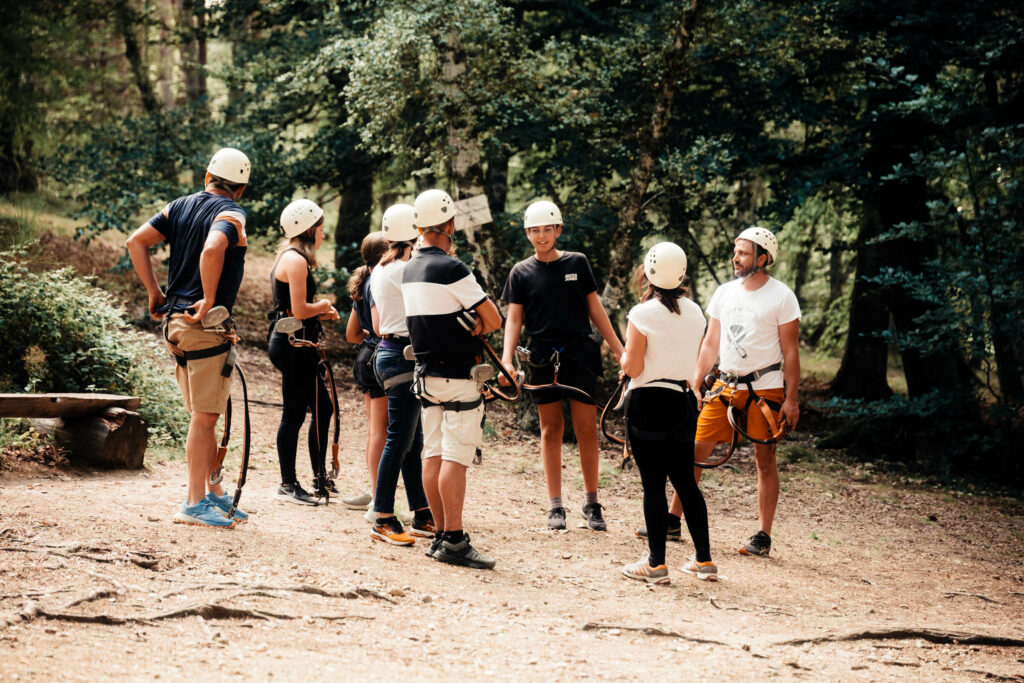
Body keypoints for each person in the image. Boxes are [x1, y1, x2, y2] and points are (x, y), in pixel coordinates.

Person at [646, 227, 800, 558]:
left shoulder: (782, 297)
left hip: (765, 391)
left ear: (763, 259)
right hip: (724, 387)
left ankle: (763, 535)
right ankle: (672, 521)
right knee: (694, 451)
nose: (735, 257)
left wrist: (791, 399)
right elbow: (710, 344)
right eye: (735, 250)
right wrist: (694, 382)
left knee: (765, 459)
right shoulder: (724, 293)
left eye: (743, 253)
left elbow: (791, 353)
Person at [125, 147, 252, 528]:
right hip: (202, 327)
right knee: (204, 417)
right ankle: (194, 502)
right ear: (241, 189)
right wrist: (209, 298)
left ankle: (213, 494)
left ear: (207, 176)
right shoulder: (232, 212)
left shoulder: (177, 206)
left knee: (205, 417)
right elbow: (214, 246)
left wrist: (154, 292)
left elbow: (135, 241)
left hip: (174, 325)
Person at [500, 200, 625, 531]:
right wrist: (506, 358)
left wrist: (619, 349)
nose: (541, 236)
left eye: (547, 229)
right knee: (550, 429)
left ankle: (592, 502)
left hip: (579, 353)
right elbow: (514, 320)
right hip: (541, 357)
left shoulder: (577, 263)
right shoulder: (521, 272)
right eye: (535, 231)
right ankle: (555, 506)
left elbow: (595, 310)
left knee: (586, 429)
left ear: (558, 230)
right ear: (528, 233)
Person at [403, 189, 503, 568]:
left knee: (433, 453)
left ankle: (442, 534)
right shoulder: (453, 268)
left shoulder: (410, 268)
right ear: (448, 225)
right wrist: (475, 326)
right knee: (456, 458)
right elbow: (493, 320)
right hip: (458, 375)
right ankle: (456, 541)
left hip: (426, 375)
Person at [618, 243, 716, 584]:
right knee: (686, 483)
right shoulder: (695, 313)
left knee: (653, 484)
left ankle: (656, 563)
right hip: (683, 401)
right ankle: (704, 560)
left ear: (648, 272)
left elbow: (632, 365)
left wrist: (622, 362)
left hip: (649, 402)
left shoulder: (642, 313)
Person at [367, 203, 435, 546]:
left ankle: (421, 512)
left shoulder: (383, 267)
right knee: (400, 440)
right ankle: (383, 515)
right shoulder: (404, 270)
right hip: (401, 357)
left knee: (412, 440)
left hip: (391, 353)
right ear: (415, 233)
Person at [267, 199, 341, 505]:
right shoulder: (296, 261)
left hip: (297, 343)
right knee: (294, 414)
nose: (324, 235)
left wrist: (318, 314)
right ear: (309, 230)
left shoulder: (292, 258)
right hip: (293, 346)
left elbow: (293, 309)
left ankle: (318, 476)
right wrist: (322, 305)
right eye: (321, 229)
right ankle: (287, 483)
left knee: (323, 409)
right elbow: (298, 308)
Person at [341, 232, 390, 510]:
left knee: (375, 431)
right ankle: (377, 496)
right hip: (378, 358)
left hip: (364, 356)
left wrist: (368, 339)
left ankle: (375, 491)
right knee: (380, 433)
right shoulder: (377, 283)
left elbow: (351, 333)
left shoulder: (363, 281)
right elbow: (380, 326)